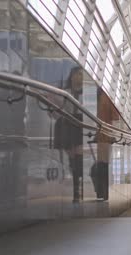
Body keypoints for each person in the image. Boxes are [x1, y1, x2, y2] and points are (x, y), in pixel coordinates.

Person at [53, 66, 84, 203]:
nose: (80, 77)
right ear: (71, 76)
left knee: (77, 156)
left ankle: (77, 187)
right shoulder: (65, 92)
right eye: (77, 74)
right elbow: (58, 111)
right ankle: (75, 187)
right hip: (67, 125)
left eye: (81, 75)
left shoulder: (86, 92)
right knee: (72, 156)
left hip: (79, 125)